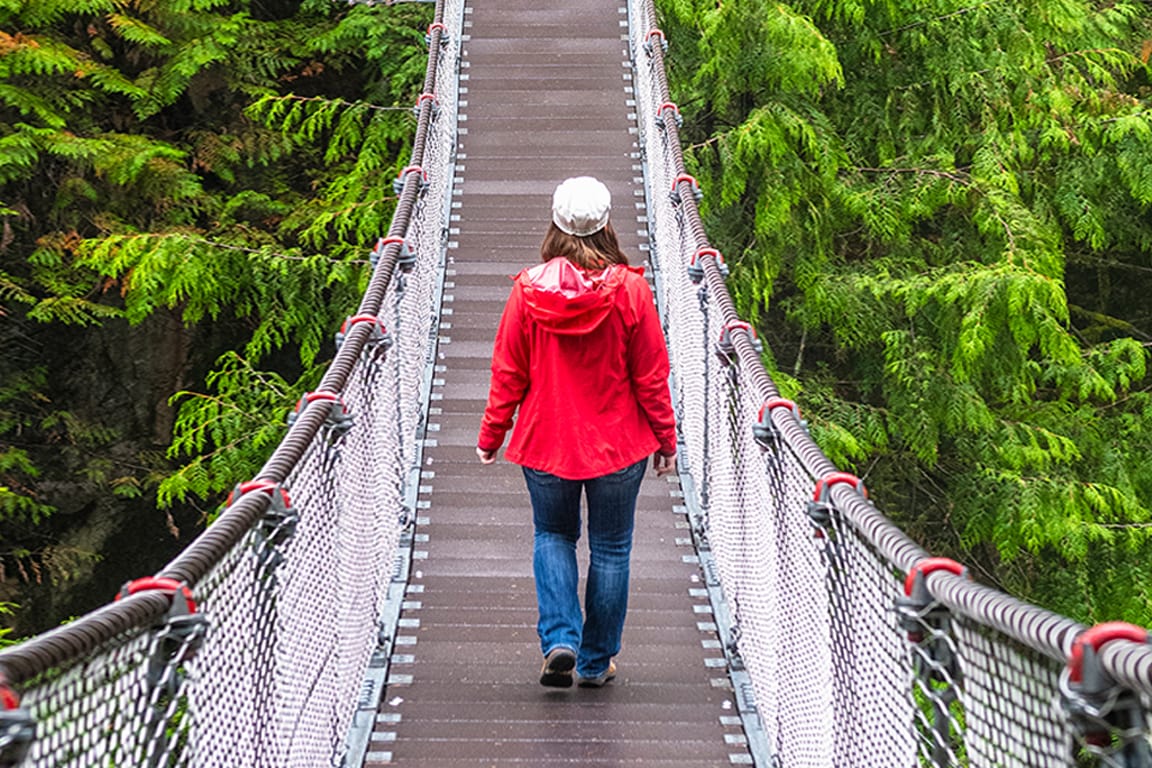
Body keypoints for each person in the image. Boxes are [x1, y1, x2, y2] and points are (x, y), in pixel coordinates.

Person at [476, 176, 677, 689]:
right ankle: (594, 662)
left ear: (556, 222)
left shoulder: (528, 290)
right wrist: (666, 439)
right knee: (611, 548)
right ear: (607, 224)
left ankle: (561, 638)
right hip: (619, 446)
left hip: (547, 443)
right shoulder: (631, 290)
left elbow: (509, 371)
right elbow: (651, 374)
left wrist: (492, 434)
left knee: (553, 535)